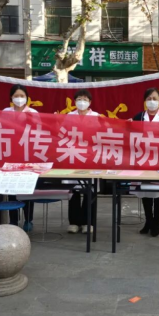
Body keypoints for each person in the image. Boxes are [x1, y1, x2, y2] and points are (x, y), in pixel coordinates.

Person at [131, 87, 159, 237]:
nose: (152, 101)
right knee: (145, 191)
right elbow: (131, 135)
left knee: (158, 191)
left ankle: (156, 223)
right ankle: (148, 221)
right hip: (142, 159)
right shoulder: (139, 117)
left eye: (155, 99)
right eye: (149, 99)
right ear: (145, 101)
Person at [3, 85, 38, 231]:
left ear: (27, 98)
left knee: (27, 188)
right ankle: (13, 220)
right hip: (10, 155)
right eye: (16, 96)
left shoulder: (33, 113)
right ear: (11, 98)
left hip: (28, 155)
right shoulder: (5, 112)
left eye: (22, 96)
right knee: (12, 190)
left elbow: (39, 131)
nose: (19, 99)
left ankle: (28, 219)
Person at [66, 89, 99, 234]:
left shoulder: (96, 117)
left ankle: (88, 222)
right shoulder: (69, 116)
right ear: (75, 101)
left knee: (89, 190)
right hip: (73, 156)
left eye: (85, 99)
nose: (82, 102)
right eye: (79, 99)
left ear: (90, 102)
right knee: (73, 190)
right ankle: (74, 222)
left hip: (90, 157)